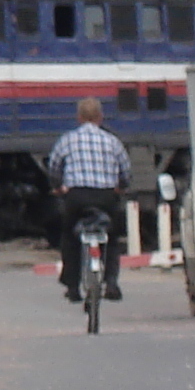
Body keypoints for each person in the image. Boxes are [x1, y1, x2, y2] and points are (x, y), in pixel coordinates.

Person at [47, 96, 130, 303]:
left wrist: (59, 188)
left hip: (76, 196)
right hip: (106, 196)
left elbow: (54, 167)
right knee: (111, 238)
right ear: (100, 117)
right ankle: (111, 282)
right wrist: (121, 187)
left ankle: (72, 287)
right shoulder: (112, 141)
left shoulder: (68, 139)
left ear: (79, 118)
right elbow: (126, 171)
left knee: (69, 237)